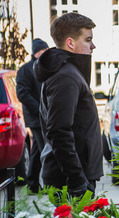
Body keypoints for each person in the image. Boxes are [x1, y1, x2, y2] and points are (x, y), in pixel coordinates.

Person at [34, 13, 103, 197]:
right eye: (88, 40)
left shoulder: (68, 72)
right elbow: (59, 131)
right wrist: (77, 181)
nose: (93, 45)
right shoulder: (66, 77)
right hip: (70, 182)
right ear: (70, 43)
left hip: (75, 176)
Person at [16, 38, 49, 194]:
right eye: (43, 51)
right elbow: (22, 93)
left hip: (44, 116)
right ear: (36, 52)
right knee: (45, 149)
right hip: (36, 118)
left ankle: (32, 184)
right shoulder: (25, 70)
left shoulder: (45, 66)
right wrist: (39, 109)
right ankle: (50, 186)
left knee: (37, 149)